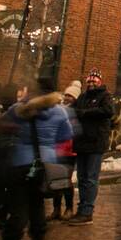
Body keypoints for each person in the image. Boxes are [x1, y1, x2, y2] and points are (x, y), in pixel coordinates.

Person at [0, 77, 73, 240]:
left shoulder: (19, 110)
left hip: (20, 162)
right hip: (44, 165)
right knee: (37, 205)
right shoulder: (60, 112)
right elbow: (65, 135)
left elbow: (2, 125)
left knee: (18, 208)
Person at [70, 68, 114, 224]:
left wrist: (85, 113)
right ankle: (82, 208)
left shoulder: (105, 96)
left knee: (90, 178)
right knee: (82, 178)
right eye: (89, 80)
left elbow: (108, 111)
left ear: (100, 81)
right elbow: (74, 111)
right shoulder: (82, 97)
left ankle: (87, 211)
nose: (91, 83)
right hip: (82, 143)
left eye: (94, 80)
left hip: (95, 143)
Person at [51, 80, 80, 219]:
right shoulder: (59, 110)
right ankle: (56, 209)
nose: (67, 98)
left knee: (66, 180)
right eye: (66, 95)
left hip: (70, 151)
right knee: (56, 180)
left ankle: (69, 208)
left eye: (71, 96)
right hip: (57, 150)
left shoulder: (76, 113)